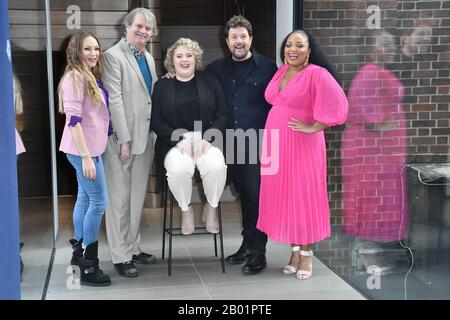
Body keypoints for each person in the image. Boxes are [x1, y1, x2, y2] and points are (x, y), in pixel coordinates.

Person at [257, 30, 348, 280]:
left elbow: (338, 106)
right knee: (285, 196)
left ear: (309, 51)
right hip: (277, 144)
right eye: (288, 45)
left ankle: (307, 255)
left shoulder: (316, 74)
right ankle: (295, 251)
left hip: (303, 145)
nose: (292, 49)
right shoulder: (281, 71)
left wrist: (315, 126)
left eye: (299, 45)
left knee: (302, 196)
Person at [206, 15, 278, 274]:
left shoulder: (269, 68)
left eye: (243, 36)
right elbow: (196, 87)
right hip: (227, 145)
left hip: (257, 145)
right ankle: (248, 244)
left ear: (251, 39)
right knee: (242, 196)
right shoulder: (215, 69)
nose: (239, 41)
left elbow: (282, 101)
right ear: (226, 41)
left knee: (256, 197)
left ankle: (259, 252)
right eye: (234, 37)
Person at [341, 31, 408, 274]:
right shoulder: (369, 73)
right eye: (385, 44)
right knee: (370, 201)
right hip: (369, 154)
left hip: (383, 155)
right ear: (372, 48)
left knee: (379, 202)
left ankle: (374, 257)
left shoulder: (380, 73)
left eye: (392, 43)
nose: (390, 48)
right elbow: (363, 112)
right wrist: (381, 124)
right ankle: (368, 261)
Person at [102, 7, 158, 278]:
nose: (143, 32)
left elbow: (150, 95)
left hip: (145, 138)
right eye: (139, 26)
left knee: (136, 199)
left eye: (148, 28)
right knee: (119, 201)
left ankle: (133, 247)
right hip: (121, 141)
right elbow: (115, 100)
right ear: (127, 27)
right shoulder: (112, 57)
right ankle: (120, 255)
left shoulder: (147, 57)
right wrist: (123, 139)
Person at [151, 38, 228, 235]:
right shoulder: (162, 86)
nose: (184, 60)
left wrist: (207, 139)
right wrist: (179, 140)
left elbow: (222, 114)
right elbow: (157, 121)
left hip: (206, 140)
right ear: (172, 60)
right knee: (178, 170)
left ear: (196, 58)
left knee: (216, 167)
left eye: (189, 55)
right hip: (175, 143)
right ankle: (186, 210)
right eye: (179, 56)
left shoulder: (210, 80)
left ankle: (211, 207)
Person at [58, 31, 111, 286]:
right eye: (87, 49)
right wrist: (87, 157)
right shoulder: (75, 77)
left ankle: (79, 254)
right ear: (76, 51)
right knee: (99, 201)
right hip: (83, 151)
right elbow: (74, 122)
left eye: (96, 49)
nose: (93, 53)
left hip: (88, 150)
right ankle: (89, 265)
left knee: (85, 198)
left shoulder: (86, 75)